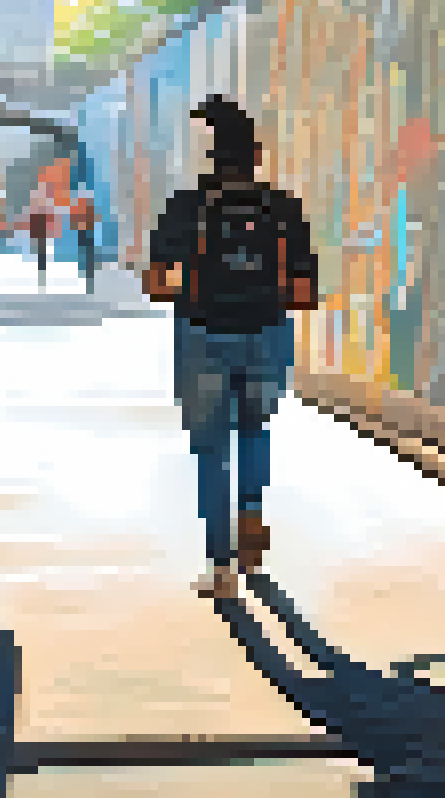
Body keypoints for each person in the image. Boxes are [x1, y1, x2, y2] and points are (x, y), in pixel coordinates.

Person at [143, 96, 317, 598]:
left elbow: (156, 283)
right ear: (256, 156)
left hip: (202, 333)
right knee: (253, 428)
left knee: (211, 449)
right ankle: (251, 511)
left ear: (212, 158)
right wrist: (263, 293)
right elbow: (303, 294)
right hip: (265, 334)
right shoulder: (284, 210)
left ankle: (221, 569)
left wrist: (197, 290)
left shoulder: (186, 206)